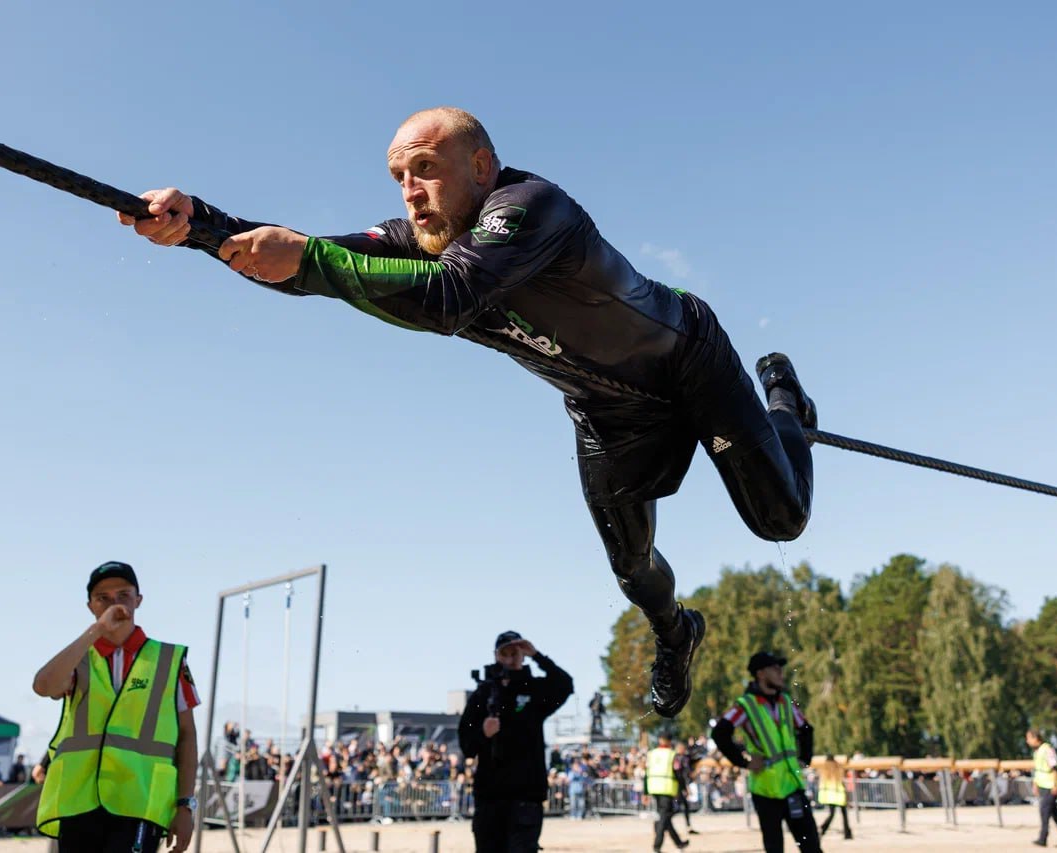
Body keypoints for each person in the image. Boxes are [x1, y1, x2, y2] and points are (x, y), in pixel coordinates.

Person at [119, 106, 818, 718]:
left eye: (426, 168)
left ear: (481, 167)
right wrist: (199, 224)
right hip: (605, 410)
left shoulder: (531, 205)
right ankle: (676, 632)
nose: (410, 191)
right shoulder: (412, 240)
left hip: (688, 361)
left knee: (779, 521)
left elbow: (448, 297)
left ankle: (785, 400)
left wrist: (310, 260)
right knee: (632, 566)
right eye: (399, 176)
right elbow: (296, 258)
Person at [32, 561, 201, 853]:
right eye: (103, 598)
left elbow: (187, 737)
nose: (115, 604)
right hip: (78, 803)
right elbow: (43, 686)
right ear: (90, 606)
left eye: (123, 595)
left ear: (139, 600)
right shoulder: (77, 659)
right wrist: (97, 630)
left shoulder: (169, 660)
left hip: (140, 803)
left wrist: (185, 805)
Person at [458, 631, 573, 852]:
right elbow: (467, 745)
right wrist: (483, 733)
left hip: (526, 795)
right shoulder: (483, 694)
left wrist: (537, 656)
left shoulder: (534, 689)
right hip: (490, 795)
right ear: (496, 655)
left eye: (515, 653)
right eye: (505, 653)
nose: (510, 658)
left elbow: (565, 685)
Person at [710, 651, 820, 853]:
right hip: (765, 790)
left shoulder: (785, 701)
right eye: (775, 669)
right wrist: (743, 762)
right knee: (774, 848)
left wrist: (805, 758)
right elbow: (719, 733)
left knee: (811, 847)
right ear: (760, 674)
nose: (780, 673)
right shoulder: (746, 705)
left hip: (793, 785)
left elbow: (806, 729)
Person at [1026, 730, 1057, 848]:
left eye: (1029, 738)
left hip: (1050, 786)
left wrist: (1056, 785)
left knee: (1044, 811)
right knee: (1054, 814)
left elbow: (1056, 768)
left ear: (1035, 738)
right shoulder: (1037, 752)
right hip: (1043, 785)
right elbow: (1039, 770)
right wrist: (1035, 784)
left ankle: (1043, 838)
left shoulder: (1047, 750)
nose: (1027, 741)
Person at [647, 734, 690, 852]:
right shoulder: (672, 754)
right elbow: (678, 773)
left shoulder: (652, 753)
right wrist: (683, 788)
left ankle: (679, 843)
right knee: (664, 817)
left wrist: (645, 792)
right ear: (670, 742)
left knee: (665, 817)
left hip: (653, 787)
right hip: (666, 788)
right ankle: (657, 845)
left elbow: (647, 773)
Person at [816, 755, 851, 840]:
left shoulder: (824, 770)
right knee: (844, 814)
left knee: (832, 814)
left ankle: (823, 828)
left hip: (829, 795)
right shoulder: (838, 768)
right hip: (839, 794)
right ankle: (847, 833)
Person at [673, 740, 700, 835]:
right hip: (679, 785)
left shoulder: (683, 758)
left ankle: (688, 826)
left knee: (684, 806)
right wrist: (686, 787)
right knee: (677, 807)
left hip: (681, 785)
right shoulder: (678, 759)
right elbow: (682, 774)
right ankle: (663, 822)